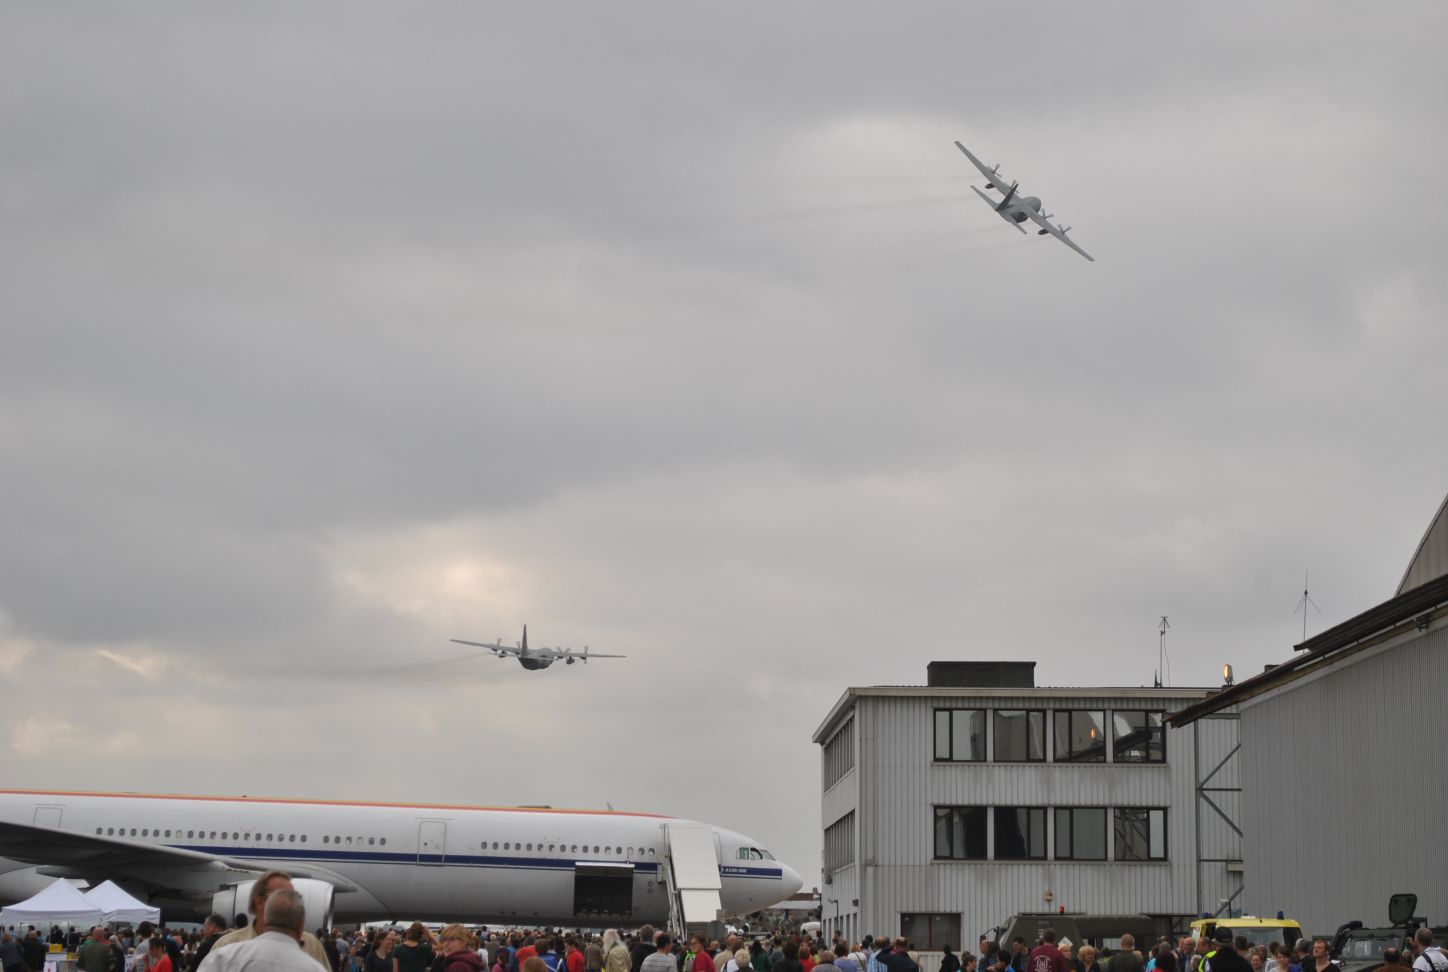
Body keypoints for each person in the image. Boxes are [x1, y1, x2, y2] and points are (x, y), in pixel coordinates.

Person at [207, 871, 329, 970]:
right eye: (282, 896)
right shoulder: (227, 945)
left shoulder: (312, 945)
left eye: (294, 896)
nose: (292, 902)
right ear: (259, 902)